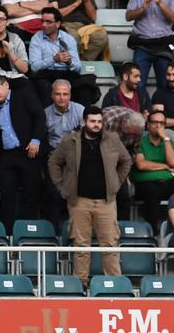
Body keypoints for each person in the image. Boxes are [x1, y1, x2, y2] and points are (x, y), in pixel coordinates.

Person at [49, 105, 131, 282]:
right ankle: (81, 284)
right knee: (81, 247)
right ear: (84, 122)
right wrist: (62, 187)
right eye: (93, 121)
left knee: (110, 245)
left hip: (106, 202)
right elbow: (54, 162)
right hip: (79, 201)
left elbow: (126, 161)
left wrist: (116, 183)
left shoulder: (112, 139)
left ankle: (115, 285)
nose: (96, 125)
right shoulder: (70, 141)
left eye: (99, 122)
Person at [0, 74, 45, 231]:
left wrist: (36, 140)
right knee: (6, 196)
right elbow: (0, 134)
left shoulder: (23, 95)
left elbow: (40, 116)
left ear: (6, 85)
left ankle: (30, 233)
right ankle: (8, 235)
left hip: (28, 152)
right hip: (7, 156)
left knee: (31, 194)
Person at [30, 7, 98, 110]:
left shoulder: (68, 39)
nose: (44, 25)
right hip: (45, 75)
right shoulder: (36, 39)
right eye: (42, 21)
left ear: (58, 24)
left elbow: (78, 67)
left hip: (65, 73)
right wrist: (53, 59)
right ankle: (47, 118)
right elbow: (34, 67)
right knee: (43, 86)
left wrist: (69, 62)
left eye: (48, 22)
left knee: (85, 88)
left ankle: (82, 117)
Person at [126, 0, 174, 92]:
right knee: (137, 84)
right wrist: (142, 8)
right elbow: (128, 16)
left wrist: (160, 3)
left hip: (163, 45)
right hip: (142, 44)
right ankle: (141, 102)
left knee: (165, 85)